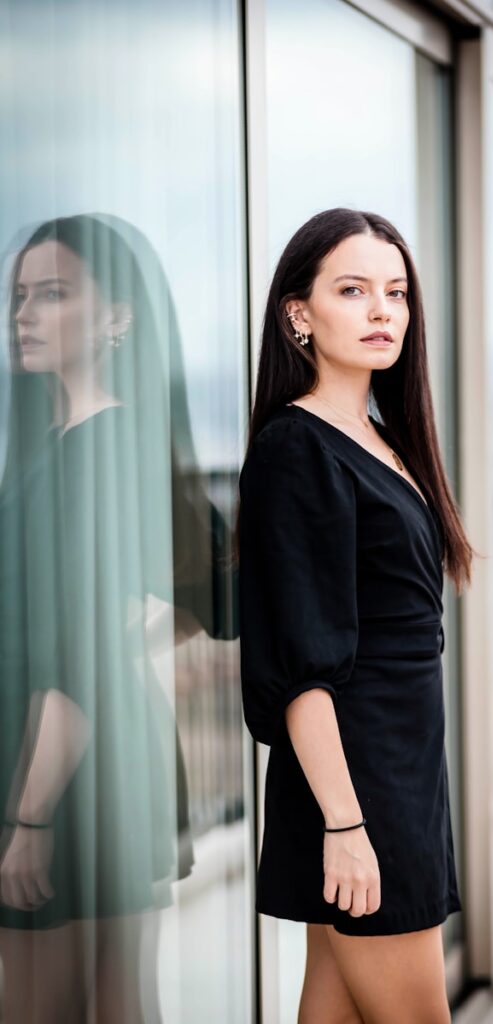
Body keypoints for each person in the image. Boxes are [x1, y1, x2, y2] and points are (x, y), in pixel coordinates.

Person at [236, 208, 476, 1023]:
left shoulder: (379, 437)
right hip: (361, 785)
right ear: (298, 314)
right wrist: (347, 823)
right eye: (353, 289)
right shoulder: (296, 448)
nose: (383, 311)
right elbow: (303, 662)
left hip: (393, 772)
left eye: (396, 292)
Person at [0, 213, 235, 1023]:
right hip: (110, 758)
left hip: (59, 775)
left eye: (53, 294)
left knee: (43, 1008)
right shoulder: (113, 443)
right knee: (122, 1002)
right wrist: (132, 643)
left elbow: (71, 654)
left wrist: (29, 815)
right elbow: (221, 594)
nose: (24, 315)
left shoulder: (88, 455)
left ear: (117, 319)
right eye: (20, 296)